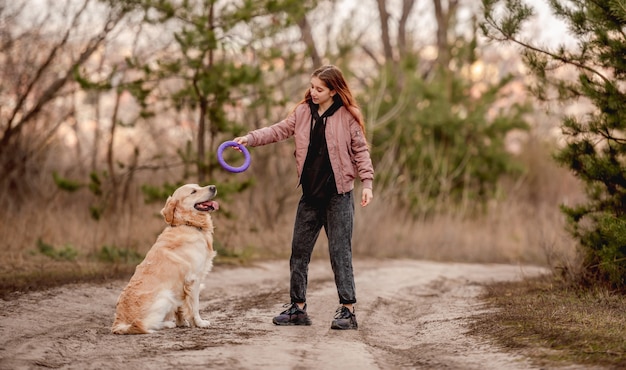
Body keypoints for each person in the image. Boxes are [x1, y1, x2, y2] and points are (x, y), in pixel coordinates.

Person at [233, 65, 374, 330]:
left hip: (338, 196)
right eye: (312, 87)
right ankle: (297, 309)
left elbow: (361, 152)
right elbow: (278, 130)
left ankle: (348, 310)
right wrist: (250, 139)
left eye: (319, 89)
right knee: (299, 252)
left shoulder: (347, 116)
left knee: (339, 253)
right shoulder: (302, 112)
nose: (313, 92)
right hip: (310, 196)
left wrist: (367, 183)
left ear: (334, 90)